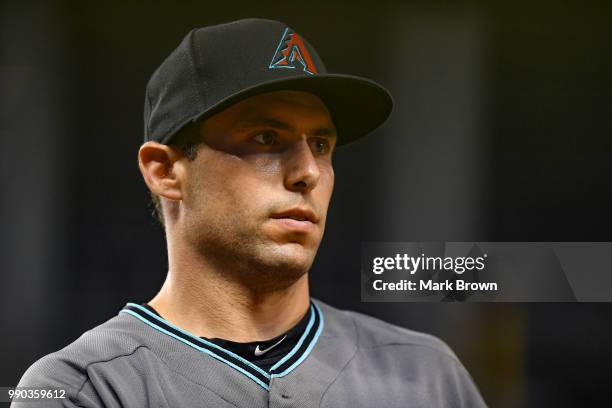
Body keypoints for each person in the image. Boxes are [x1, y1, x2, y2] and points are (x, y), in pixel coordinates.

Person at [14, 18, 486, 407]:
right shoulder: (84, 389)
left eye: (321, 145)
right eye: (266, 138)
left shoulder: (427, 375)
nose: (308, 172)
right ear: (165, 171)